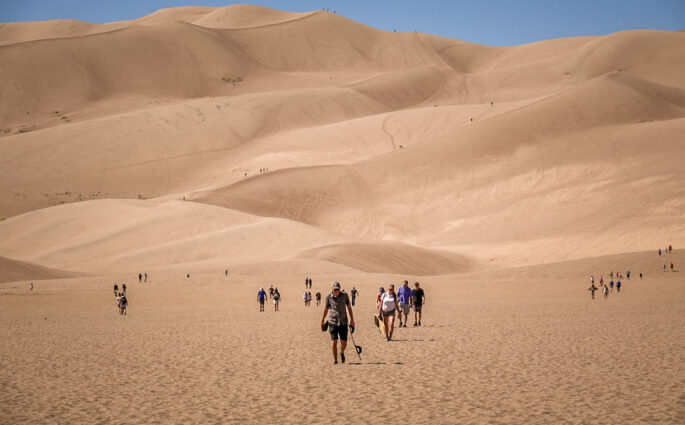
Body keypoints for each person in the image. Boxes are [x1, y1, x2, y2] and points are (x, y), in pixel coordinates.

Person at [321, 282, 355, 364]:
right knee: (334, 341)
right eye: (335, 289)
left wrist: (352, 320)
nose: (336, 291)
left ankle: (342, 352)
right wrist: (322, 320)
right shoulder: (328, 297)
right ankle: (335, 360)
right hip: (332, 322)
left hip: (343, 322)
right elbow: (326, 310)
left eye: (338, 289)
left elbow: (349, 308)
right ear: (332, 289)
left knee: (344, 342)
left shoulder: (345, 295)